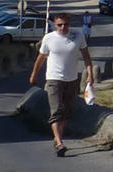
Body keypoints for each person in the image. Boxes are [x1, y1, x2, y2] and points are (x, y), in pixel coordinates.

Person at [30, 14, 94, 156]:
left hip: (71, 79)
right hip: (53, 78)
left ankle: (57, 137)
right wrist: (34, 74)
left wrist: (90, 74)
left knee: (66, 111)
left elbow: (86, 56)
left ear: (69, 23)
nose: (63, 27)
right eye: (59, 24)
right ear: (55, 25)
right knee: (57, 109)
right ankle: (59, 143)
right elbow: (41, 57)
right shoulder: (49, 38)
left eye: (65, 24)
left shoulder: (78, 36)